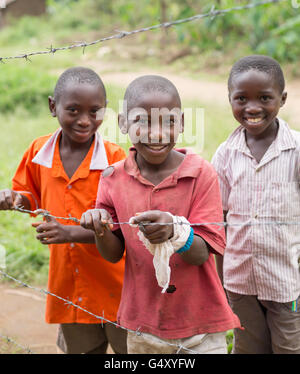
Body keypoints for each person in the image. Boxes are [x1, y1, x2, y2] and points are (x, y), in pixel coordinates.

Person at [81, 74, 241, 354]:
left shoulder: (200, 173)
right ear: (122, 123)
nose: (157, 134)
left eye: (168, 122)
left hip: (200, 326)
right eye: (142, 122)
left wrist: (176, 232)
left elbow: (202, 253)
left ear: (181, 124)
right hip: (143, 324)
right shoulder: (113, 178)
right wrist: (100, 228)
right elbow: (112, 253)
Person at [0, 67, 127, 354]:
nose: (84, 120)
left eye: (94, 111)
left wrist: (67, 232)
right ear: (52, 106)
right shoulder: (38, 151)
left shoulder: (114, 159)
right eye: (73, 110)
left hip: (116, 287)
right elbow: (29, 196)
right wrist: (12, 199)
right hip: (70, 287)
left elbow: (121, 225)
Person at [211, 55, 300, 354]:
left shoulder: (297, 151)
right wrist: (223, 279)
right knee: (249, 347)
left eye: (264, 98)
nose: (252, 108)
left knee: (289, 346)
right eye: (241, 99)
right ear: (230, 100)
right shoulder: (225, 155)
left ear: (282, 98)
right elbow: (219, 220)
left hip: (287, 281)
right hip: (239, 281)